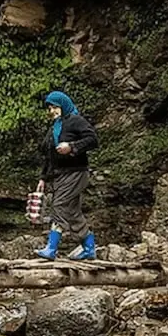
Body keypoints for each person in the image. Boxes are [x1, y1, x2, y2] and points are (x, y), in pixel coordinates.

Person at [35, 90, 99, 260]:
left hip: (76, 172)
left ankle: (52, 248)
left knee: (59, 205)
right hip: (60, 174)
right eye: (49, 108)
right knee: (72, 212)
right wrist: (43, 178)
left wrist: (72, 146)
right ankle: (88, 246)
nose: (52, 111)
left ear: (63, 105)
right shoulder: (55, 128)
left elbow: (93, 139)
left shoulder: (75, 121)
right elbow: (49, 156)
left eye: (55, 107)